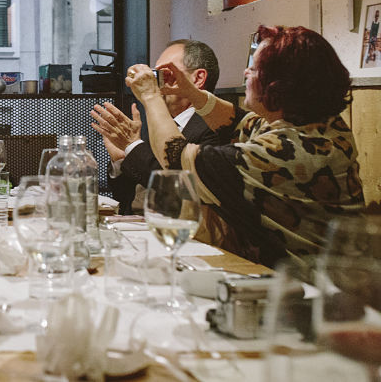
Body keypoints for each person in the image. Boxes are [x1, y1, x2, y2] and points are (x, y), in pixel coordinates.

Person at [125, 25, 364, 266]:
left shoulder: (279, 152)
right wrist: (191, 91)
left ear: (280, 85)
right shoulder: (326, 128)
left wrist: (150, 96)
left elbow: (174, 158)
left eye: (256, 68)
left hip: (306, 289)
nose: (246, 72)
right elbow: (237, 121)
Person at [91, 40, 220, 214]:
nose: (156, 85)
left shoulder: (215, 127)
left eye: (164, 75)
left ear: (198, 79)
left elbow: (177, 187)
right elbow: (128, 199)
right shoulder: (156, 122)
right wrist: (121, 158)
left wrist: (133, 146)